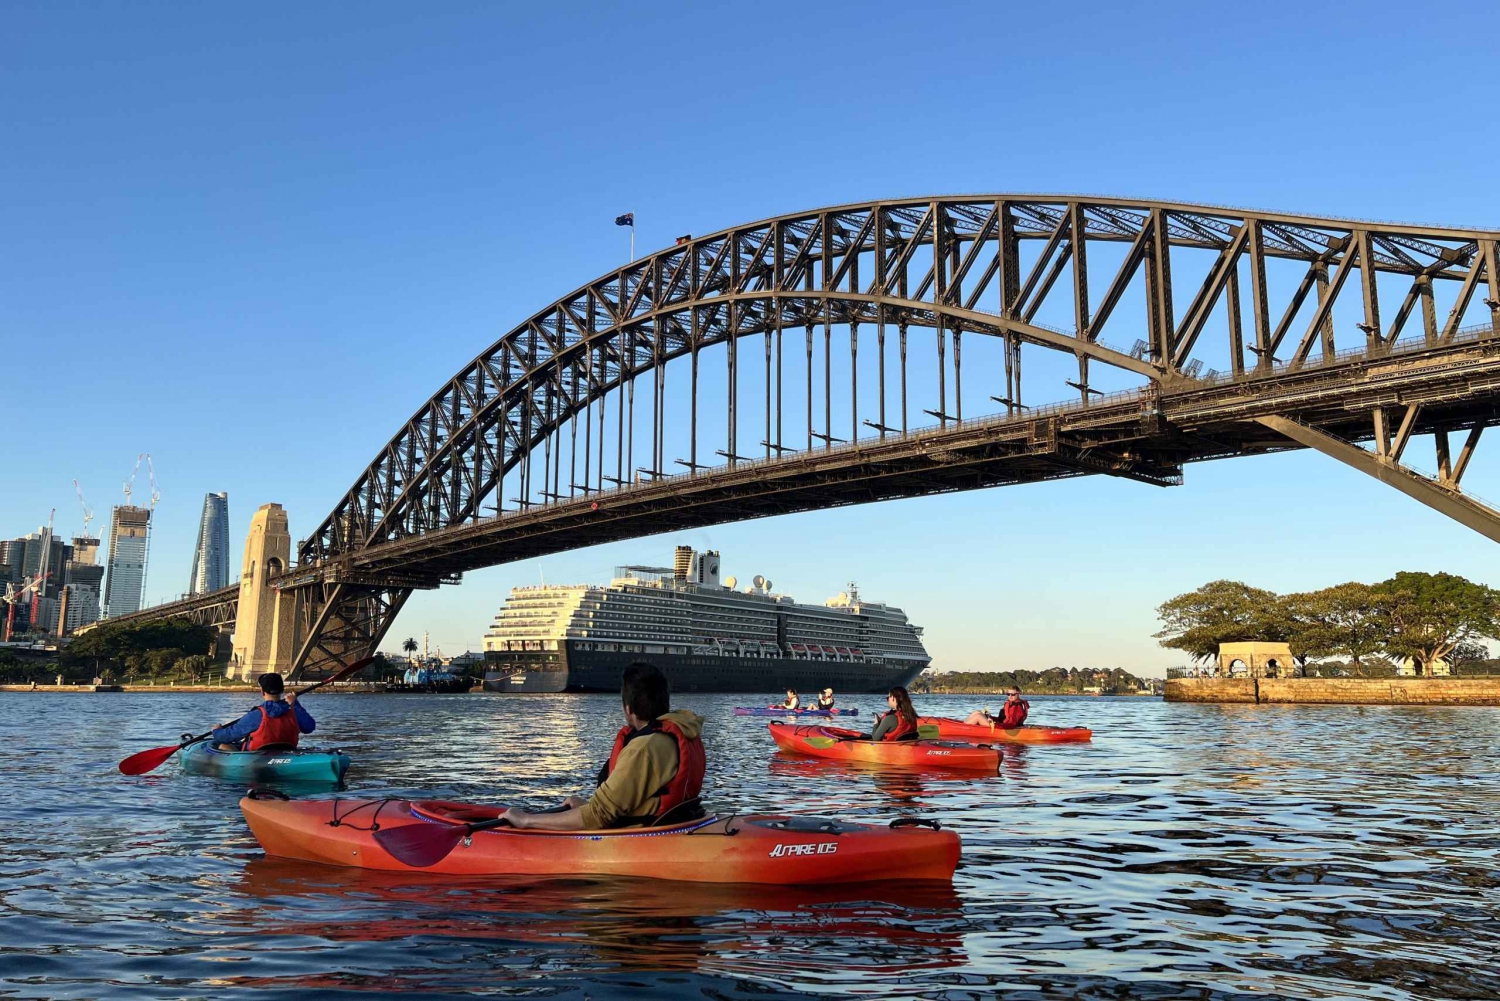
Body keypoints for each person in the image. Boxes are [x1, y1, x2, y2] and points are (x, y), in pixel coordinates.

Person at [499, 662, 705, 831]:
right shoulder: (683, 732)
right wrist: (586, 806)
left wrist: (526, 820)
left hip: (644, 836)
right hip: (674, 824)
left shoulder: (643, 748)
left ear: (628, 708)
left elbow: (598, 816)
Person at [211, 672, 316, 751]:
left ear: (262, 691)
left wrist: (217, 731)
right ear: (282, 690)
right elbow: (309, 728)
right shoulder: (293, 709)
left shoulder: (257, 714)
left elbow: (227, 736)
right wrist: (295, 704)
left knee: (219, 744)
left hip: (256, 756)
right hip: (286, 752)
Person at [964, 687, 1029, 729]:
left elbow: (1011, 725)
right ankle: (963, 724)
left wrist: (995, 724)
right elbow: (1003, 719)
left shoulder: (1016, 708)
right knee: (977, 712)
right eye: (1008, 694)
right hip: (1000, 725)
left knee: (978, 716)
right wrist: (991, 717)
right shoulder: (1011, 704)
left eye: (1013, 694)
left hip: (1000, 727)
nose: (1010, 696)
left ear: (1018, 694)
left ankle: (962, 728)